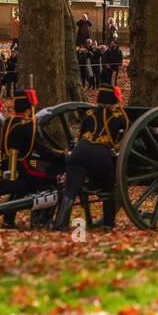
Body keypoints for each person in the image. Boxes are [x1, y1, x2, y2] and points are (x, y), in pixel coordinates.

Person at [52, 85, 127, 230]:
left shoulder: (89, 113)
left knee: (70, 190)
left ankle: (60, 224)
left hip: (80, 151)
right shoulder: (119, 117)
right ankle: (108, 224)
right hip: (100, 155)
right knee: (108, 189)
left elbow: (81, 135)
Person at [0, 89, 65, 228]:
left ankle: (8, 219)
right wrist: (64, 155)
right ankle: (41, 220)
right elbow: (44, 152)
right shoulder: (29, 125)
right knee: (53, 181)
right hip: (24, 168)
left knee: (24, 182)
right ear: (29, 108)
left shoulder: (7, 122)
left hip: (7, 166)